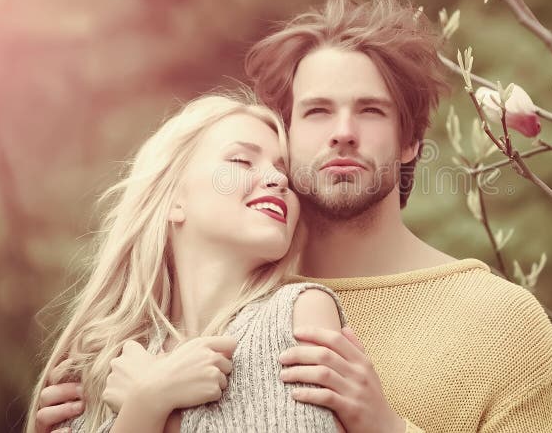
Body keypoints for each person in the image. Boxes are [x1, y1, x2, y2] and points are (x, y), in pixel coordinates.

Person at [37, 0, 552, 432]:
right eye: (316, 111)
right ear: (284, 135)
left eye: (370, 110)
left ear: (409, 141)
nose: (343, 131)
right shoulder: (174, 321)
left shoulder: (499, 324)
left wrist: (387, 426)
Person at [27, 93, 346, 433]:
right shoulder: (100, 362)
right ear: (174, 200)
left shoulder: (298, 315)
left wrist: (151, 405)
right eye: (241, 161)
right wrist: (148, 402)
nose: (279, 180)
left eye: (285, 173)